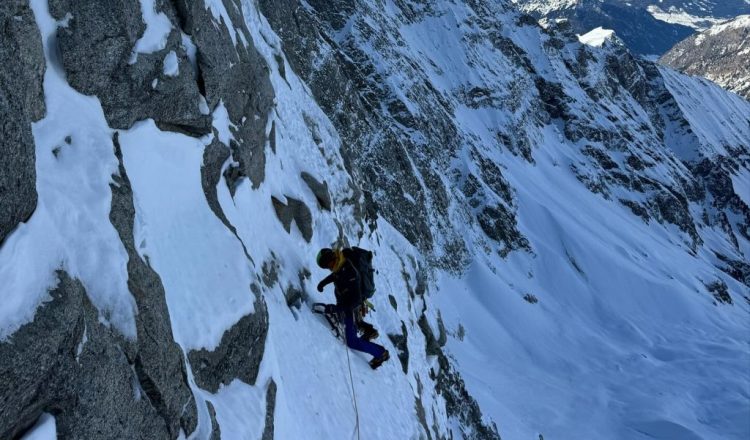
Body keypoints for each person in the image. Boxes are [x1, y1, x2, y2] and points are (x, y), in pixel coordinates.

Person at [316, 247, 390, 369]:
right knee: (344, 319)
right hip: (346, 301)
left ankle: (381, 353)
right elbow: (336, 275)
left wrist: (336, 309)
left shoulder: (350, 272)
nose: (329, 267)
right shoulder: (340, 262)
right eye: (326, 267)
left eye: (328, 264)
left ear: (332, 257)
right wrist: (322, 283)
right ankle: (367, 330)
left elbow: (353, 303)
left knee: (351, 341)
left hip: (352, 306)